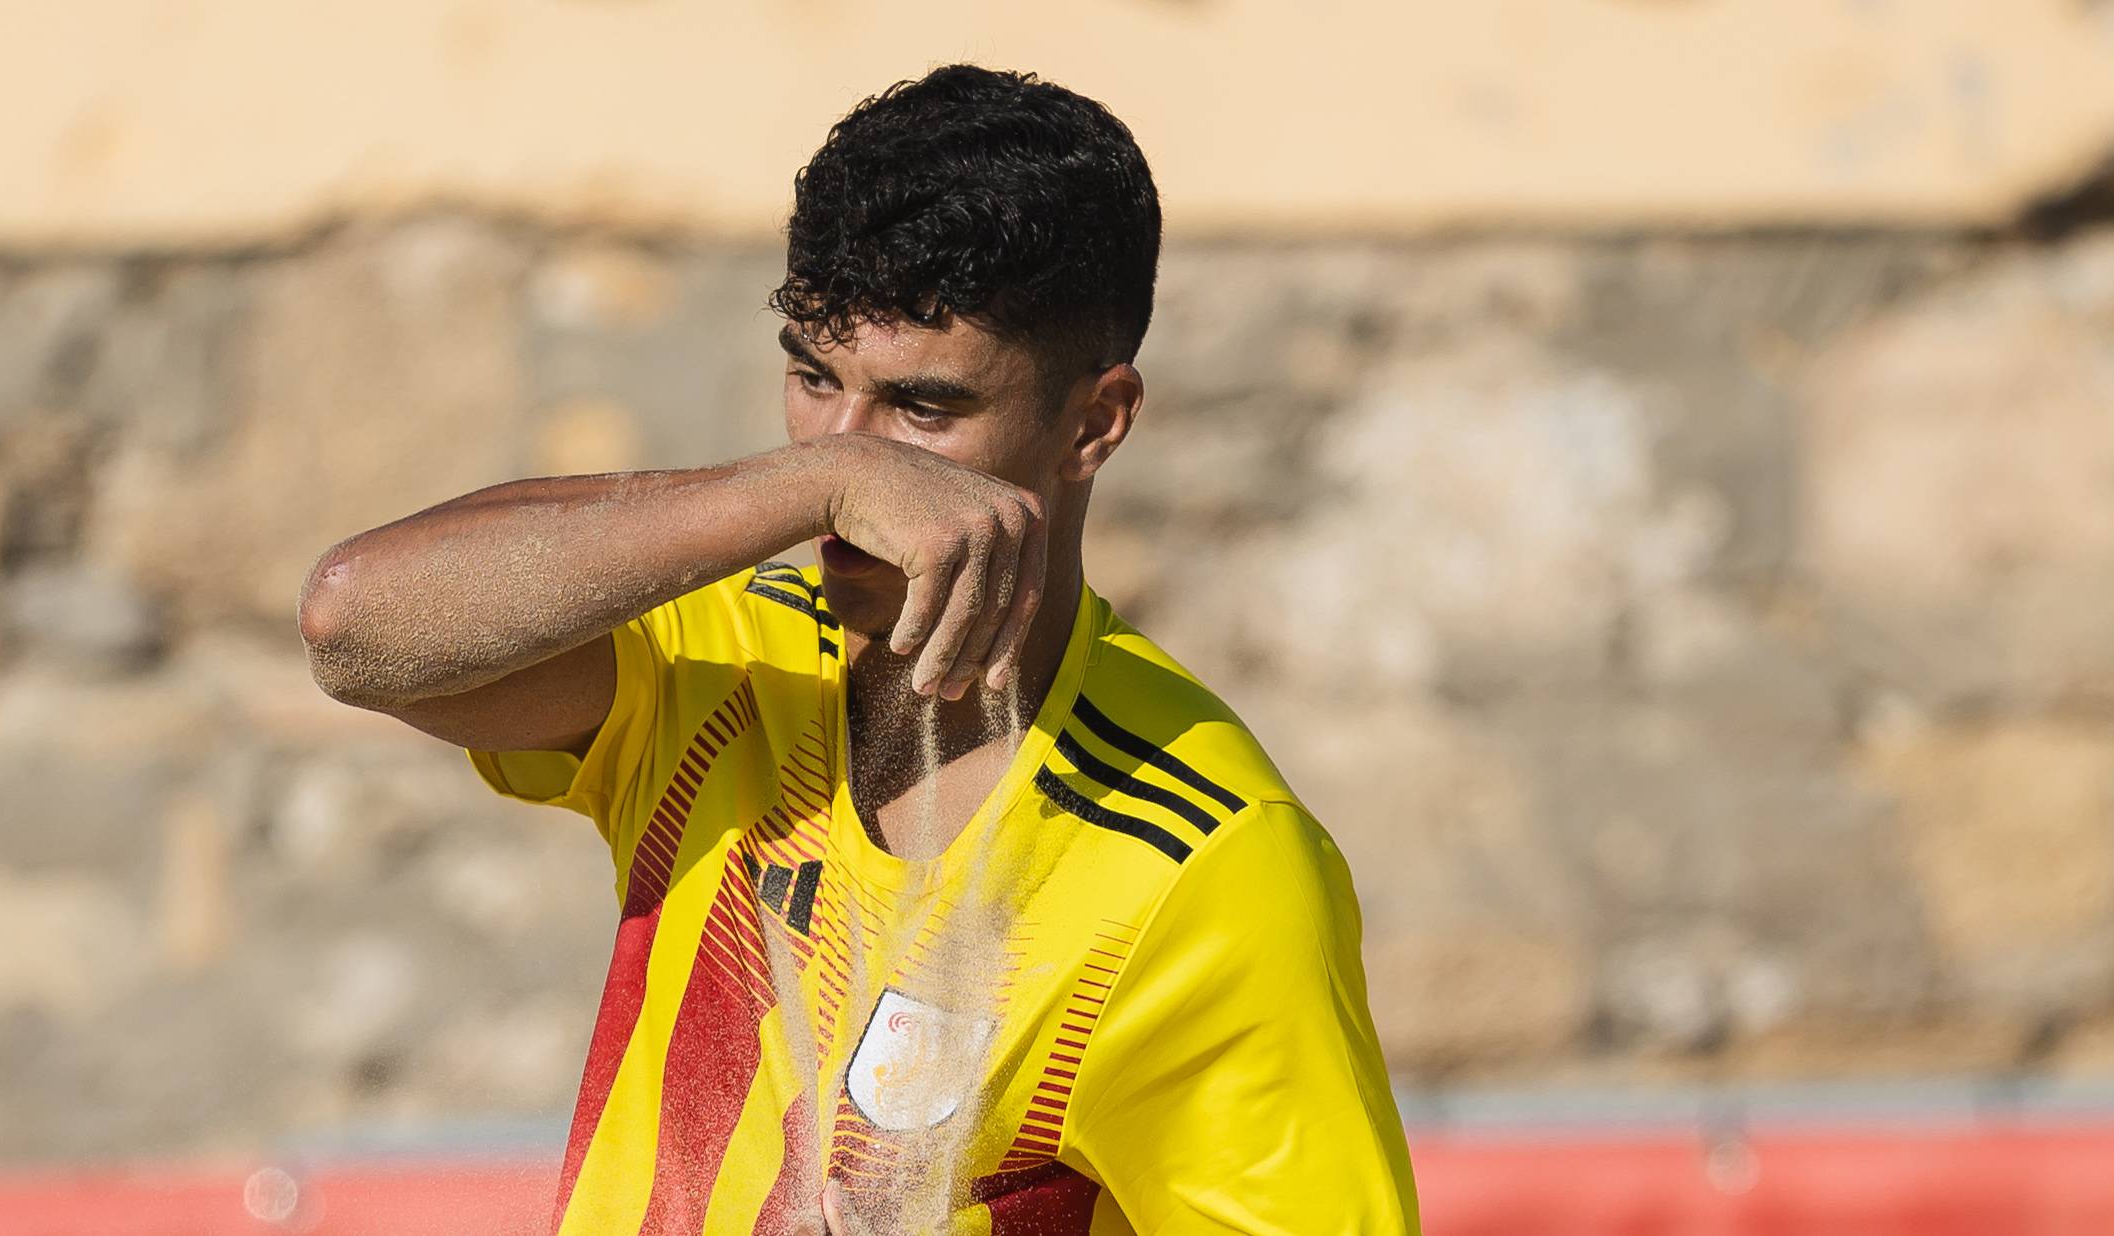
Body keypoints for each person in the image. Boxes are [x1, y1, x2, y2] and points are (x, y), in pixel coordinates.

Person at [299, 64, 1417, 1236]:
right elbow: (354, 630)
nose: (854, 468)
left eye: (920, 409)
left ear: (1094, 423)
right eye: (810, 378)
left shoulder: (1210, 862)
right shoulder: (735, 659)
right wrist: (811, 482)